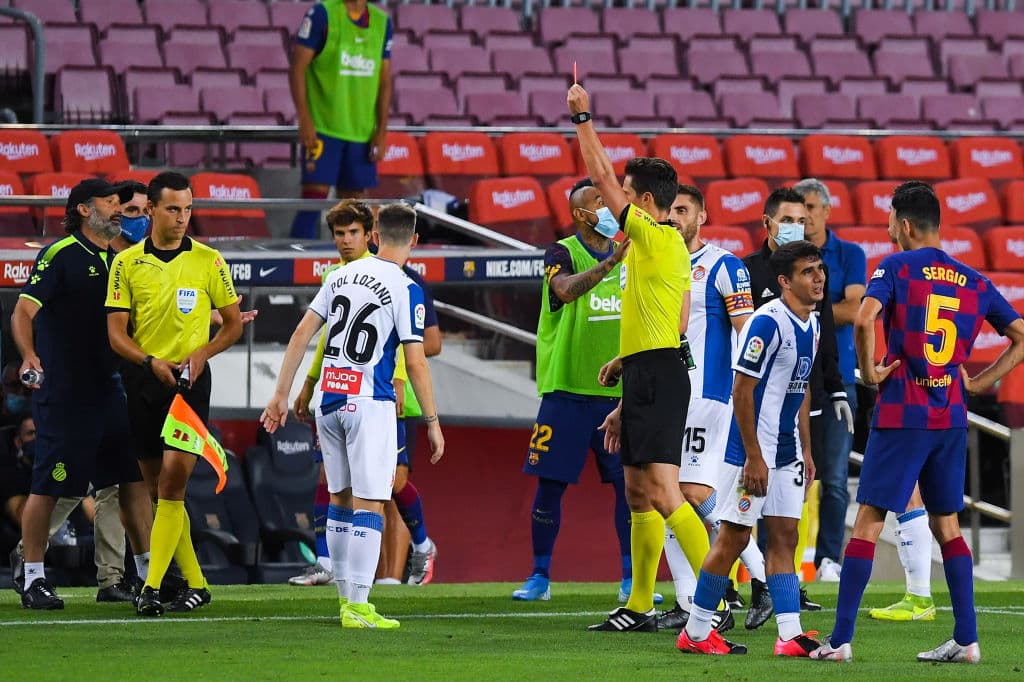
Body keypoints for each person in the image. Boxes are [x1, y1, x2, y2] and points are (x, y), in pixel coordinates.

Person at [811, 183, 1024, 664]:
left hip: (903, 411)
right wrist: (980, 381)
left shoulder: (895, 267)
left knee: (867, 521)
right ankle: (967, 640)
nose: (887, 227)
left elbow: (865, 318)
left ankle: (840, 640)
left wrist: (867, 373)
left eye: (889, 219)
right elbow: (1021, 336)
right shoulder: (973, 279)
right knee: (948, 525)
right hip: (949, 414)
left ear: (905, 225)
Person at [262, 202, 444, 630]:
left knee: (340, 498)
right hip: (370, 401)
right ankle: (360, 604)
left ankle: (346, 600)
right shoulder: (405, 286)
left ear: (375, 235)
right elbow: (416, 362)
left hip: (328, 397)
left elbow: (301, 334)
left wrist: (281, 395)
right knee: (370, 502)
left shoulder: (339, 276)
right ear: (414, 241)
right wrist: (433, 421)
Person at [565, 85, 705, 634]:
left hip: (661, 375)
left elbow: (598, 174)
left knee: (667, 493)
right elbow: (662, 320)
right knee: (638, 492)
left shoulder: (656, 234)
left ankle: (719, 591)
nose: (611, 199)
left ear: (644, 202)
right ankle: (640, 605)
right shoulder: (652, 246)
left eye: (624, 193)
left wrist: (582, 117)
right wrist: (626, 369)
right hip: (647, 371)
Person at [106, 171, 243, 617]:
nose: (182, 217)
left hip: (189, 383)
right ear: (150, 210)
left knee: (171, 483)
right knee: (157, 489)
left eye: (187, 209)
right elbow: (116, 333)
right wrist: (148, 363)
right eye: (172, 209)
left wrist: (203, 351)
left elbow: (234, 323)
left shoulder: (209, 260)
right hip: (144, 381)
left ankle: (150, 587)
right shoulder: (126, 264)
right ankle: (198, 583)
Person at [678, 240, 824, 657]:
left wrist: (806, 450)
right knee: (734, 538)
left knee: (785, 537)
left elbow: (801, 387)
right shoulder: (767, 323)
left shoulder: (811, 323)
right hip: (750, 453)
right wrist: (753, 456)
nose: (818, 278)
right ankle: (697, 630)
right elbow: (743, 391)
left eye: (819, 269)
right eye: (808, 272)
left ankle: (789, 635)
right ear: (784, 281)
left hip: (787, 450)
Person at [11, 178, 151, 610]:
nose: (119, 209)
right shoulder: (59, 254)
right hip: (66, 393)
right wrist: (29, 354)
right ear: (84, 210)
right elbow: (23, 310)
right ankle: (32, 575)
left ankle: (148, 574)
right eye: (111, 203)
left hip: (111, 389)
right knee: (51, 486)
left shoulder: (120, 261)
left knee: (129, 480)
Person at [512, 178, 634, 604]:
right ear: (580, 214)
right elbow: (563, 289)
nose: (607, 207)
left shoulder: (634, 249)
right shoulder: (561, 251)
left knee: (630, 489)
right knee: (550, 486)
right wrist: (607, 265)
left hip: (619, 394)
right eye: (597, 201)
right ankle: (540, 576)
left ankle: (630, 580)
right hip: (566, 389)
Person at [658, 185, 767, 633]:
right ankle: (689, 598)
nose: (675, 216)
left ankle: (759, 578)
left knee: (692, 491)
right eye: (671, 209)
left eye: (684, 210)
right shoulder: (657, 262)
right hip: (666, 394)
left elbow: (748, 329)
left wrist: (750, 392)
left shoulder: (724, 265)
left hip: (709, 393)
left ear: (703, 216)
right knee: (662, 491)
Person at [741, 188, 851, 615]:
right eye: (787, 219)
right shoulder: (746, 272)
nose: (795, 227)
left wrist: (836, 387)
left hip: (803, 404)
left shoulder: (813, 274)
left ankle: (786, 596)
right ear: (767, 223)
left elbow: (823, 345)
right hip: (753, 413)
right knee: (738, 521)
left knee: (792, 509)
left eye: (801, 219)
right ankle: (711, 611)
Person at [793, 178, 865, 583]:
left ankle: (828, 560)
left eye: (811, 208)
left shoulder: (850, 254)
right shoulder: (786, 255)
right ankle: (777, 559)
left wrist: (805, 306)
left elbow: (855, 309)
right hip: (791, 377)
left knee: (835, 477)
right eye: (799, 210)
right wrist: (823, 308)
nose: (805, 217)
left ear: (826, 210)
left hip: (836, 378)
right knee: (786, 471)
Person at [289, 0, 393, 239]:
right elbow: (297, 68)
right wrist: (304, 118)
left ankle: (351, 273)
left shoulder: (381, 22)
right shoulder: (322, 14)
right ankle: (294, 268)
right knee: (313, 202)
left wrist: (381, 131)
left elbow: (385, 80)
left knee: (355, 212)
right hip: (323, 129)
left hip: (361, 134)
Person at [0, 415, 35, 528]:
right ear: (19, 442)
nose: (38, 438)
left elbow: (91, 515)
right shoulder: (9, 475)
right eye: (31, 433)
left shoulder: (61, 468)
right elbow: (25, 520)